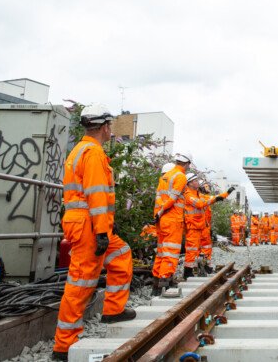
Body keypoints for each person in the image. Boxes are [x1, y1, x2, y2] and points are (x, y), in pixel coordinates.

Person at [53, 104, 134, 360]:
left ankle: (112, 311)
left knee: (121, 254)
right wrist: (101, 231)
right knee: (81, 282)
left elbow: (95, 197)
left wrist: (109, 224)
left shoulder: (81, 150)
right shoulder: (94, 153)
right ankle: (63, 346)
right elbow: (96, 194)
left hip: (91, 222)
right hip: (89, 225)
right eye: (111, 126)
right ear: (105, 126)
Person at [151, 154, 191, 294]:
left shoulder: (165, 176)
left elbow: (158, 198)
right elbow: (173, 198)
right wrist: (162, 211)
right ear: (187, 164)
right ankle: (165, 282)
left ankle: (156, 284)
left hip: (162, 221)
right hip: (172, 219)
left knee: (161, 252)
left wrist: (157, 215)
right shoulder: (180, 176)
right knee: (171, 252)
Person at [183, 177, 232, 277]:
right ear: (190, 183)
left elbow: (214, 198)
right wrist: (215, 199)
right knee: (192, 249)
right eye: (195, 181)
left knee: (206, 247)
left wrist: (227, 193)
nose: (198, 183)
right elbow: (200, 204)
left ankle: (204, 266)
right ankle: (188, 272)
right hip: (193, 226)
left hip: (203, 226)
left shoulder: (199, 195)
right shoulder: (188, 195)